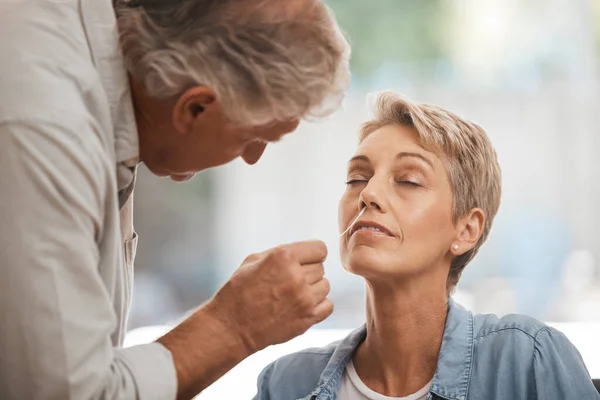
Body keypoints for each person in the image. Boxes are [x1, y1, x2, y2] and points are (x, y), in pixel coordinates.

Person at [0, 0, 350, 398]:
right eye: (252, 138)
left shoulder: (108, 103)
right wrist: (234, 325)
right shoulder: (46, 128)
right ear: (195, 107)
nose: (251, 158)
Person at [255, 92, 599, 400]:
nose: (368, 194)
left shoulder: (526, 360)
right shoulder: (285, 384)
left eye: (408, 180)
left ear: (466, 230)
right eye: (356, 178)